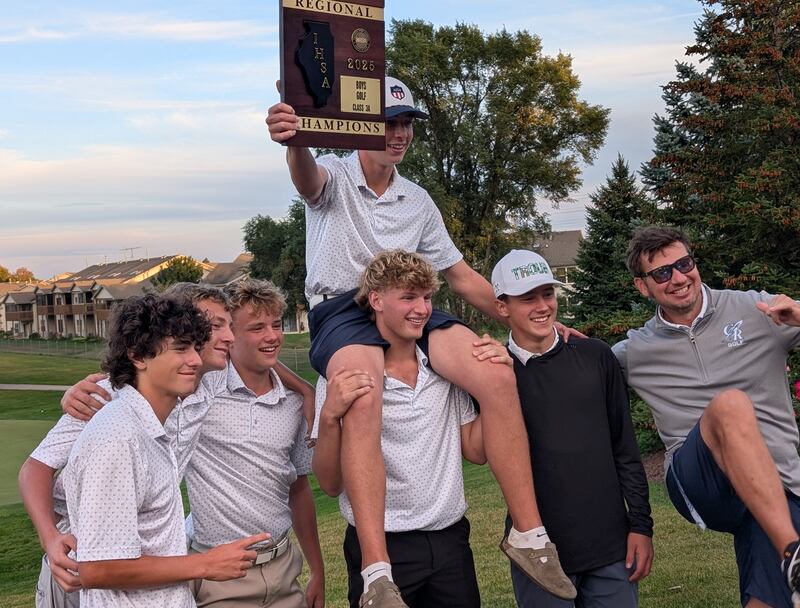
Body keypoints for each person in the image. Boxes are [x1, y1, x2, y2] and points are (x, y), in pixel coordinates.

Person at [267, 76, 574, 605]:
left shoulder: (418, 200)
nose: (399, 133)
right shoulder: (336, 176)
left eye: (406, 123)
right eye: (388, 122)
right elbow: (305, 181)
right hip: (345, 309)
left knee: (495, 370)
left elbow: (458, 276)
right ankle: (378, 571)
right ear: (363, 127)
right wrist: (294, 140)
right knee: (364, 390)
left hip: (411, 304)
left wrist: (526, 320)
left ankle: (528, 533)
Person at [20, 283, 323, 608]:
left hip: (153, 569)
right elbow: (35, 468)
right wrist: (50, 537)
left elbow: (255, 350)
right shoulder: (109, 398)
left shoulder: (203, 383)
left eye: (226, 326)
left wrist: (306, 390)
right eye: (212, 326)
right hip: (75, 560)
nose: (226, 336)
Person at [612, 225, 800, 608]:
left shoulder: (756, 310)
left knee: (770, 591)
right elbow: (574, 372)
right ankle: (794, 551)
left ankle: (788, 558)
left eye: (684, 264)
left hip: (778, 479)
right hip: (698, 478)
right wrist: (543, 340)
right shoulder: (637, 350)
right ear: (642, 286)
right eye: (662, 273)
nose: (679, 278)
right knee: (730, 405)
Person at [312, 249, 501, 607]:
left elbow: (475, 452)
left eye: (428, 298)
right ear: (376, 300)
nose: (422, 309)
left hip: (450, 541)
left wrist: (494, 387)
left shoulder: (443, 371)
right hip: (381, 547)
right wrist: (328, 418)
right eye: (409, 297)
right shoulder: (345, 375)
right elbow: (330, 482)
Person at [62, 293, 268, 606]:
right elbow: (97, 568)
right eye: (180, 349)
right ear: (138, 355)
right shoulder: (118, 436)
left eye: (196, 348)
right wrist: (205, 564)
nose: (196, 360)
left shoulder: (150, 428)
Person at [491, 249, 653, 607]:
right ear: (502, 306)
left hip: (610, 545)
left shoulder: (595, 356)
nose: (542, 306)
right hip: (538, 549)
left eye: (547, 294)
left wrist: (641, 525)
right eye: (527, 298)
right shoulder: (496, 375)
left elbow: (624, 448)